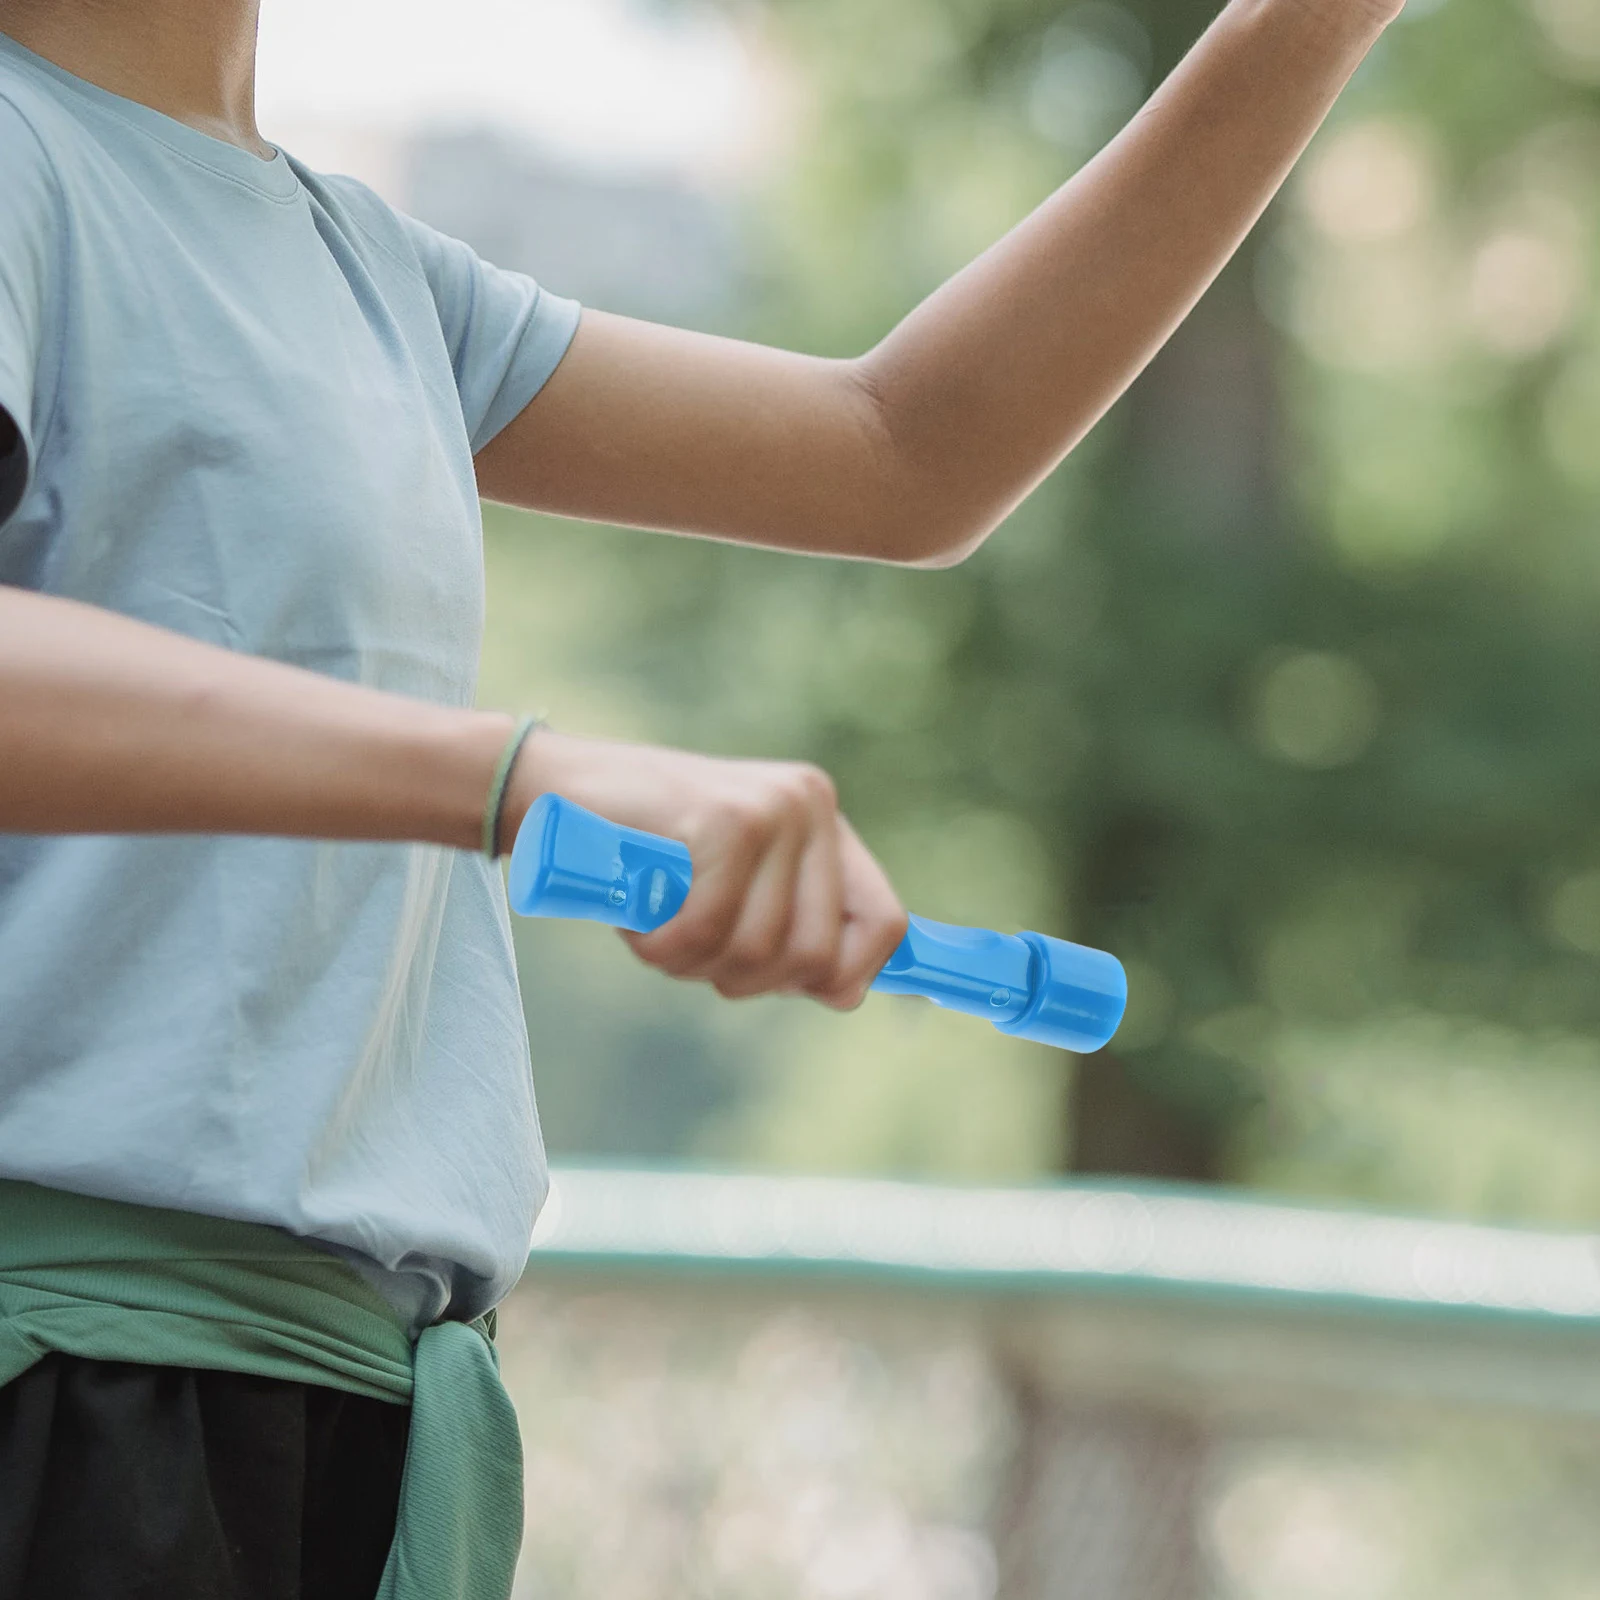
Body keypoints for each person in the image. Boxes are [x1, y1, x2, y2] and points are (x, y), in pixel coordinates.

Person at [0, 0, 1403, 1592]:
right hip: (74, 1400)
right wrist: (526, 776)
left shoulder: (359, 265)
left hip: (340, 1417)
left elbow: (902, 452)